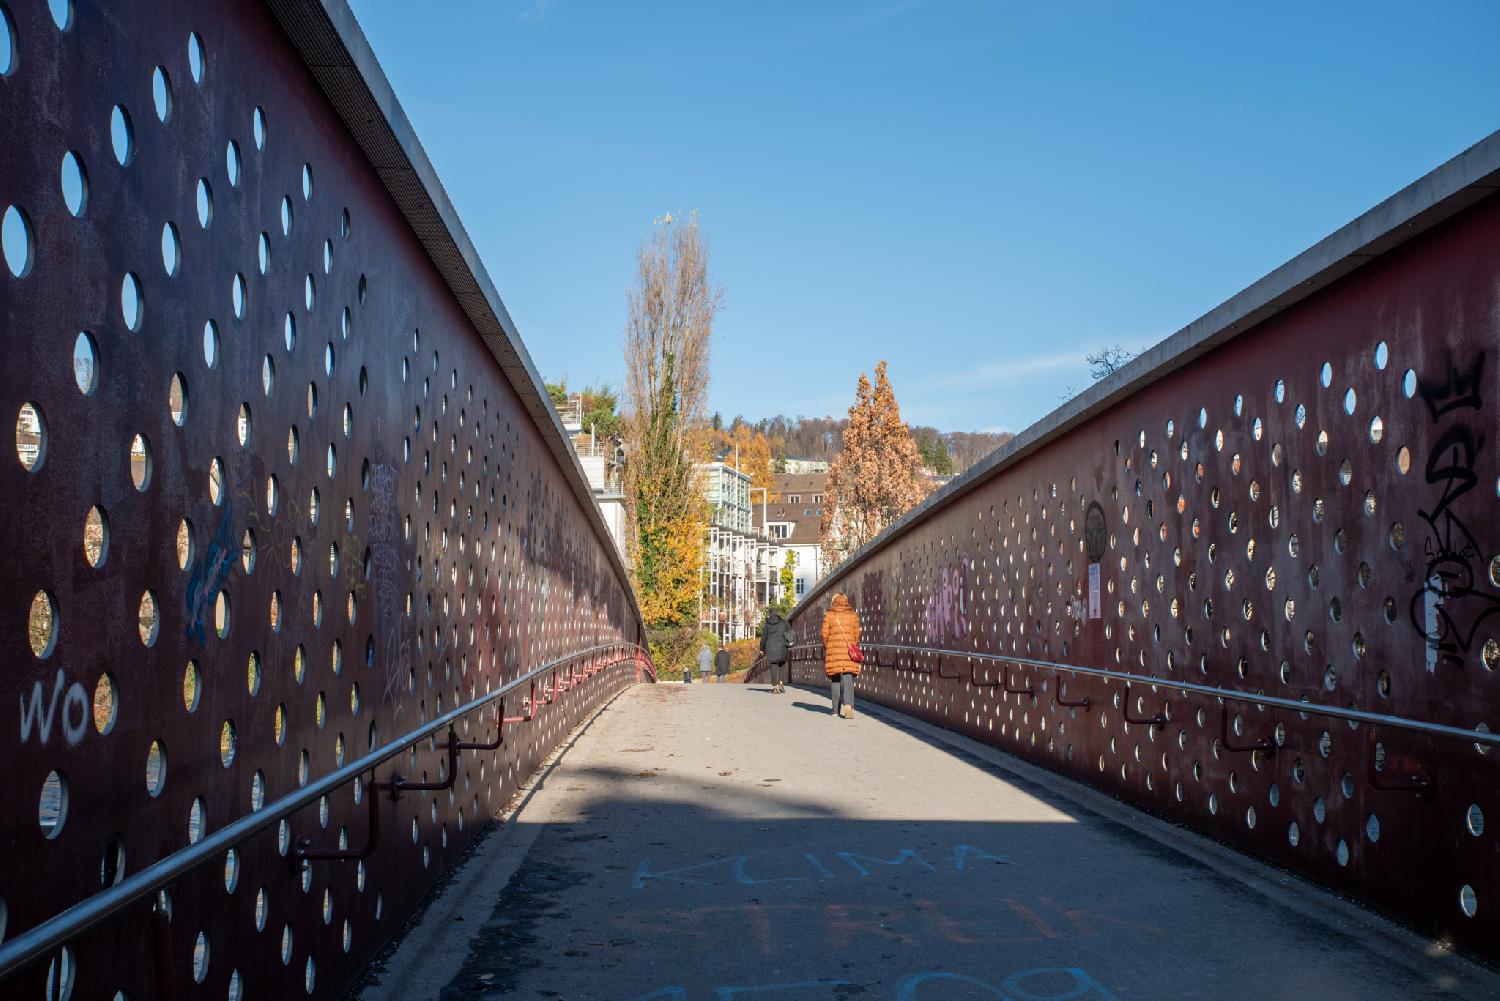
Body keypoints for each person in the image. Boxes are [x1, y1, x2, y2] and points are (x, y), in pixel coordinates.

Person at [820, 593, 862, 718]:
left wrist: (828, 647)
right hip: (849, 652)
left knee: (835, 679)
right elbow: (857, 634)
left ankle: (835, 710)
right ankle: (848, 705)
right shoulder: (852, 615)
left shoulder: (829, 615)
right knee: (848, 679)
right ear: (846, 602)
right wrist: (852, 644)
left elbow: (824, 635)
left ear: (834, 602)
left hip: (834, 651)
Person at [759, 609, 795, 693]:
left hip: (771, 648)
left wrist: (761, 649)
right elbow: (790, 632)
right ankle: (781, 682)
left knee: (773, 666)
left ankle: (775, 686)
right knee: (782, 664)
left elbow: (763, 638)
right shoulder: (784, 622)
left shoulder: (767, 624)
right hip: (782, 647)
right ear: (778, 614)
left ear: (770, 615)